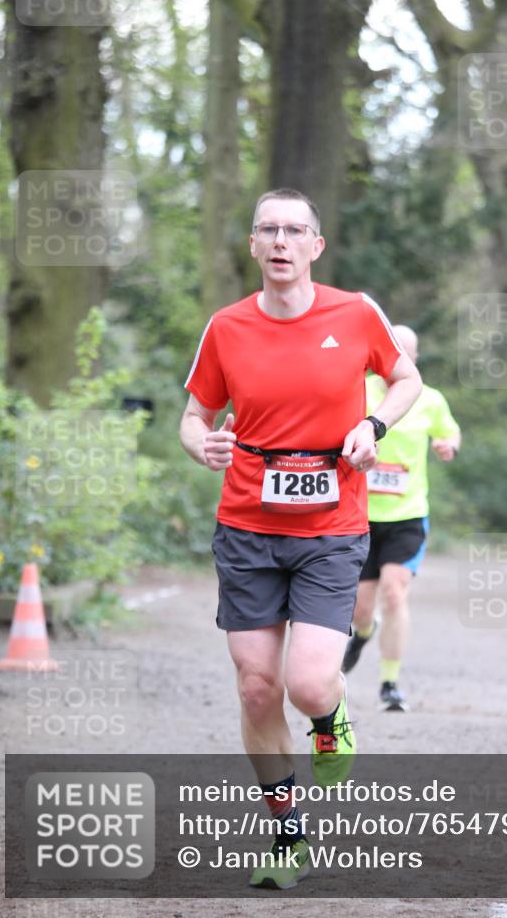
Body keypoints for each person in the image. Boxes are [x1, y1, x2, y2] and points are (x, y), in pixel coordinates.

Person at [179, 189, 421, 889]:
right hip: (247, 527)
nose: (280, 241)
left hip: (329, 529)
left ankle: (331, 713)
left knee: (309, 683)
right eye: (267, 230)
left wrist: (372, 426)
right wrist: (205, 448)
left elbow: (404, 378)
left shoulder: (354, 312)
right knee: (257, 689)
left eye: (294, 230)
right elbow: (194, 416)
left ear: (315, 245)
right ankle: (288, 839)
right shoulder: (225, 327)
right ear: (252, 246)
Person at [342, 325, 461, 712]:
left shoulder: (430, 399)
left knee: (395, 592)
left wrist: (448, 446)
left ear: (416, 358)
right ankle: (363, 632)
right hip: (361, 516)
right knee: (361, 607)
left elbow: (450, 431)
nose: (401, 360)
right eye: (396, 352)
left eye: (409, 354)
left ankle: (390, 683)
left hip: (408, 515)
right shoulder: (358, 393)